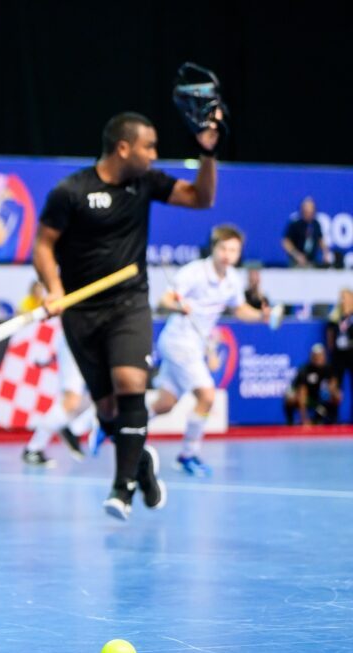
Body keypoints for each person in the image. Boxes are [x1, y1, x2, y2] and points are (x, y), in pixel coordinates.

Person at [33, 108, 223, 521]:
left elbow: (202, 198)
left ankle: (122, 488)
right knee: (107, 410)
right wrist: (54, 290)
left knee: (129, 382)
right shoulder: (70, 192)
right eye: (149, 146)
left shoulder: (145, 183)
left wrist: (207, 152)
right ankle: (142, 466)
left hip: (129, 303)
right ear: (123, 147)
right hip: (81, 311)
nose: (155, 155)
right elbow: (43, 246)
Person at [148, 225, 272, 475]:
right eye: (223, 248)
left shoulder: (233, 280)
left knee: (165, 404)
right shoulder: (194, 273)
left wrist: (261, 315)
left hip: (195, 346)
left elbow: (239, 310)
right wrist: (178, 307)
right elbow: (164, 300)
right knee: (206, 396)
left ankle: (121, 425)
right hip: (178, 341)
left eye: (234, 250)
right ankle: (187, 455)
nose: (228, 254)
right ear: (214, 248)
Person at [22, 318, 95, 467]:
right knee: (71, 400)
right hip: (77, 340)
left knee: (103, 396)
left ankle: (74, 429)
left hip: (86, 343)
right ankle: (34, 448)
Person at [284, 343, 341, 425]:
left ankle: (330, 420)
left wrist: (332, 390)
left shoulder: (328, 369)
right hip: (303, 398)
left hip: (317, 399)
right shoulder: (305, 370)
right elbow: (302, 394)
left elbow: (334, 385)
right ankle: (291, 422)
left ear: (324, 356)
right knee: (291, 397)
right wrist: (305, 420)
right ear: (312, 356)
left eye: (320, 355)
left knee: (337, 395)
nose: (318, 358)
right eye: (316, 356)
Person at [325, 288, 353, 421]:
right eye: (341, 298)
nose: (343, 300)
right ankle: (333, 416)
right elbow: (330, 333)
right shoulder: (336, 315)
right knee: (335, 386)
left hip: (352, 353)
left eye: (345, 297)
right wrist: (331, 350)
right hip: (338, 355)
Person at [281, 197, 330, 268]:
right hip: (296, 263)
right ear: (302, 211)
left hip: (312, 261)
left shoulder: (316, 224)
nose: (309, 214)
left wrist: (325, 253)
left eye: (311, 212)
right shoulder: (295, 224)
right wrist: (296, 255)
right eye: (306, 212)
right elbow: (285, 242)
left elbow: (320, 239)